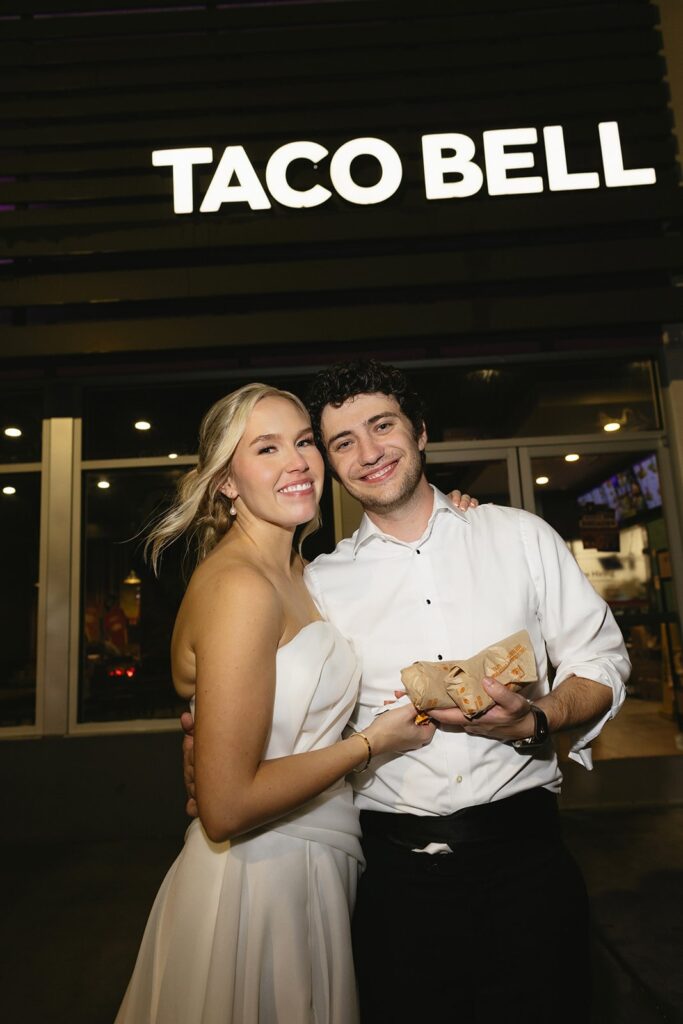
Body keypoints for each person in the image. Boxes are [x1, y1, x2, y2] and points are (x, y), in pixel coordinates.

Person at [300, 359, 631, 1024]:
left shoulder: (518, 537)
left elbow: (600, 659)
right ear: (332, 466)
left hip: (529, 866)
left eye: (382, 426)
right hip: (396, 885)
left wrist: (541, 717)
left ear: (419, 431)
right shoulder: (318, 585)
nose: (367, 453)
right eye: (343, 442)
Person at [115, 382, 440, 1024]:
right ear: (226, 483)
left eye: (303, 442)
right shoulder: (240, 585)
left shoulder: (298, 573)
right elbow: (228, 805)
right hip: (256, 880)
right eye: (266, 448)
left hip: (313, 864)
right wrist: (374, 742)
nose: (298, 462)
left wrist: (450, 513)